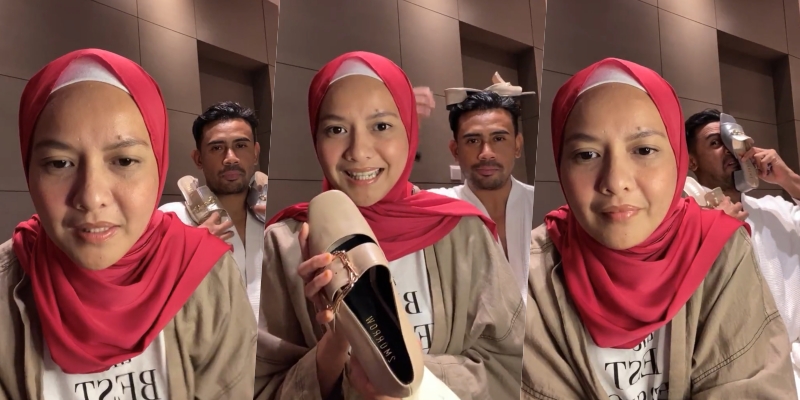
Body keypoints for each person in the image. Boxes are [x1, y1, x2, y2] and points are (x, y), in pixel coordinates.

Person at [255, 51, 524, 400]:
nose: (359, 151)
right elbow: (260, 386)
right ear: (316, 138)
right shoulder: (287, 245)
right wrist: (335, 344)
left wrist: (406, 382)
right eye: (336, 129)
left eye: (381, 126)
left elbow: (511, 366)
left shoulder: (462, 232)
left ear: (409, 130)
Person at [522, 58, 796, 399]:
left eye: (644, 150)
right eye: (586, 155)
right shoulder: (530, 273)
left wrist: (787, 178)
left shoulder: (720, 248)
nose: (616, 182)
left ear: (676, 159)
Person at [0, 48, 256, 398]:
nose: (92, 197)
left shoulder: (208, 276)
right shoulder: (6, 291)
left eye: (123, 161)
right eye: (59, 163)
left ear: (159, 163)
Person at [686, 107, 800, 393]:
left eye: (733, 139)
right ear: (691, 161)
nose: (730, 149)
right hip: (728, 383)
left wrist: (788, 179)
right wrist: (712, 229)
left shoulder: (776, 211)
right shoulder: (685, 221)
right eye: (715, 142)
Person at [159, 101, 266, 319]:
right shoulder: (172, 220)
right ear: (198, 159)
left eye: (241, 145)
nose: (230, 158)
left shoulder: (276, 219)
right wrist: (189, 253)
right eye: (217, 148)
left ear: (255, 153)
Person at [426, 90, 535, 301]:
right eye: (473, 141)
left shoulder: (540, 206)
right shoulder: (436, 210)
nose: (486, 153)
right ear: (455, 151)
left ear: (517, 146)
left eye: (499, 138)